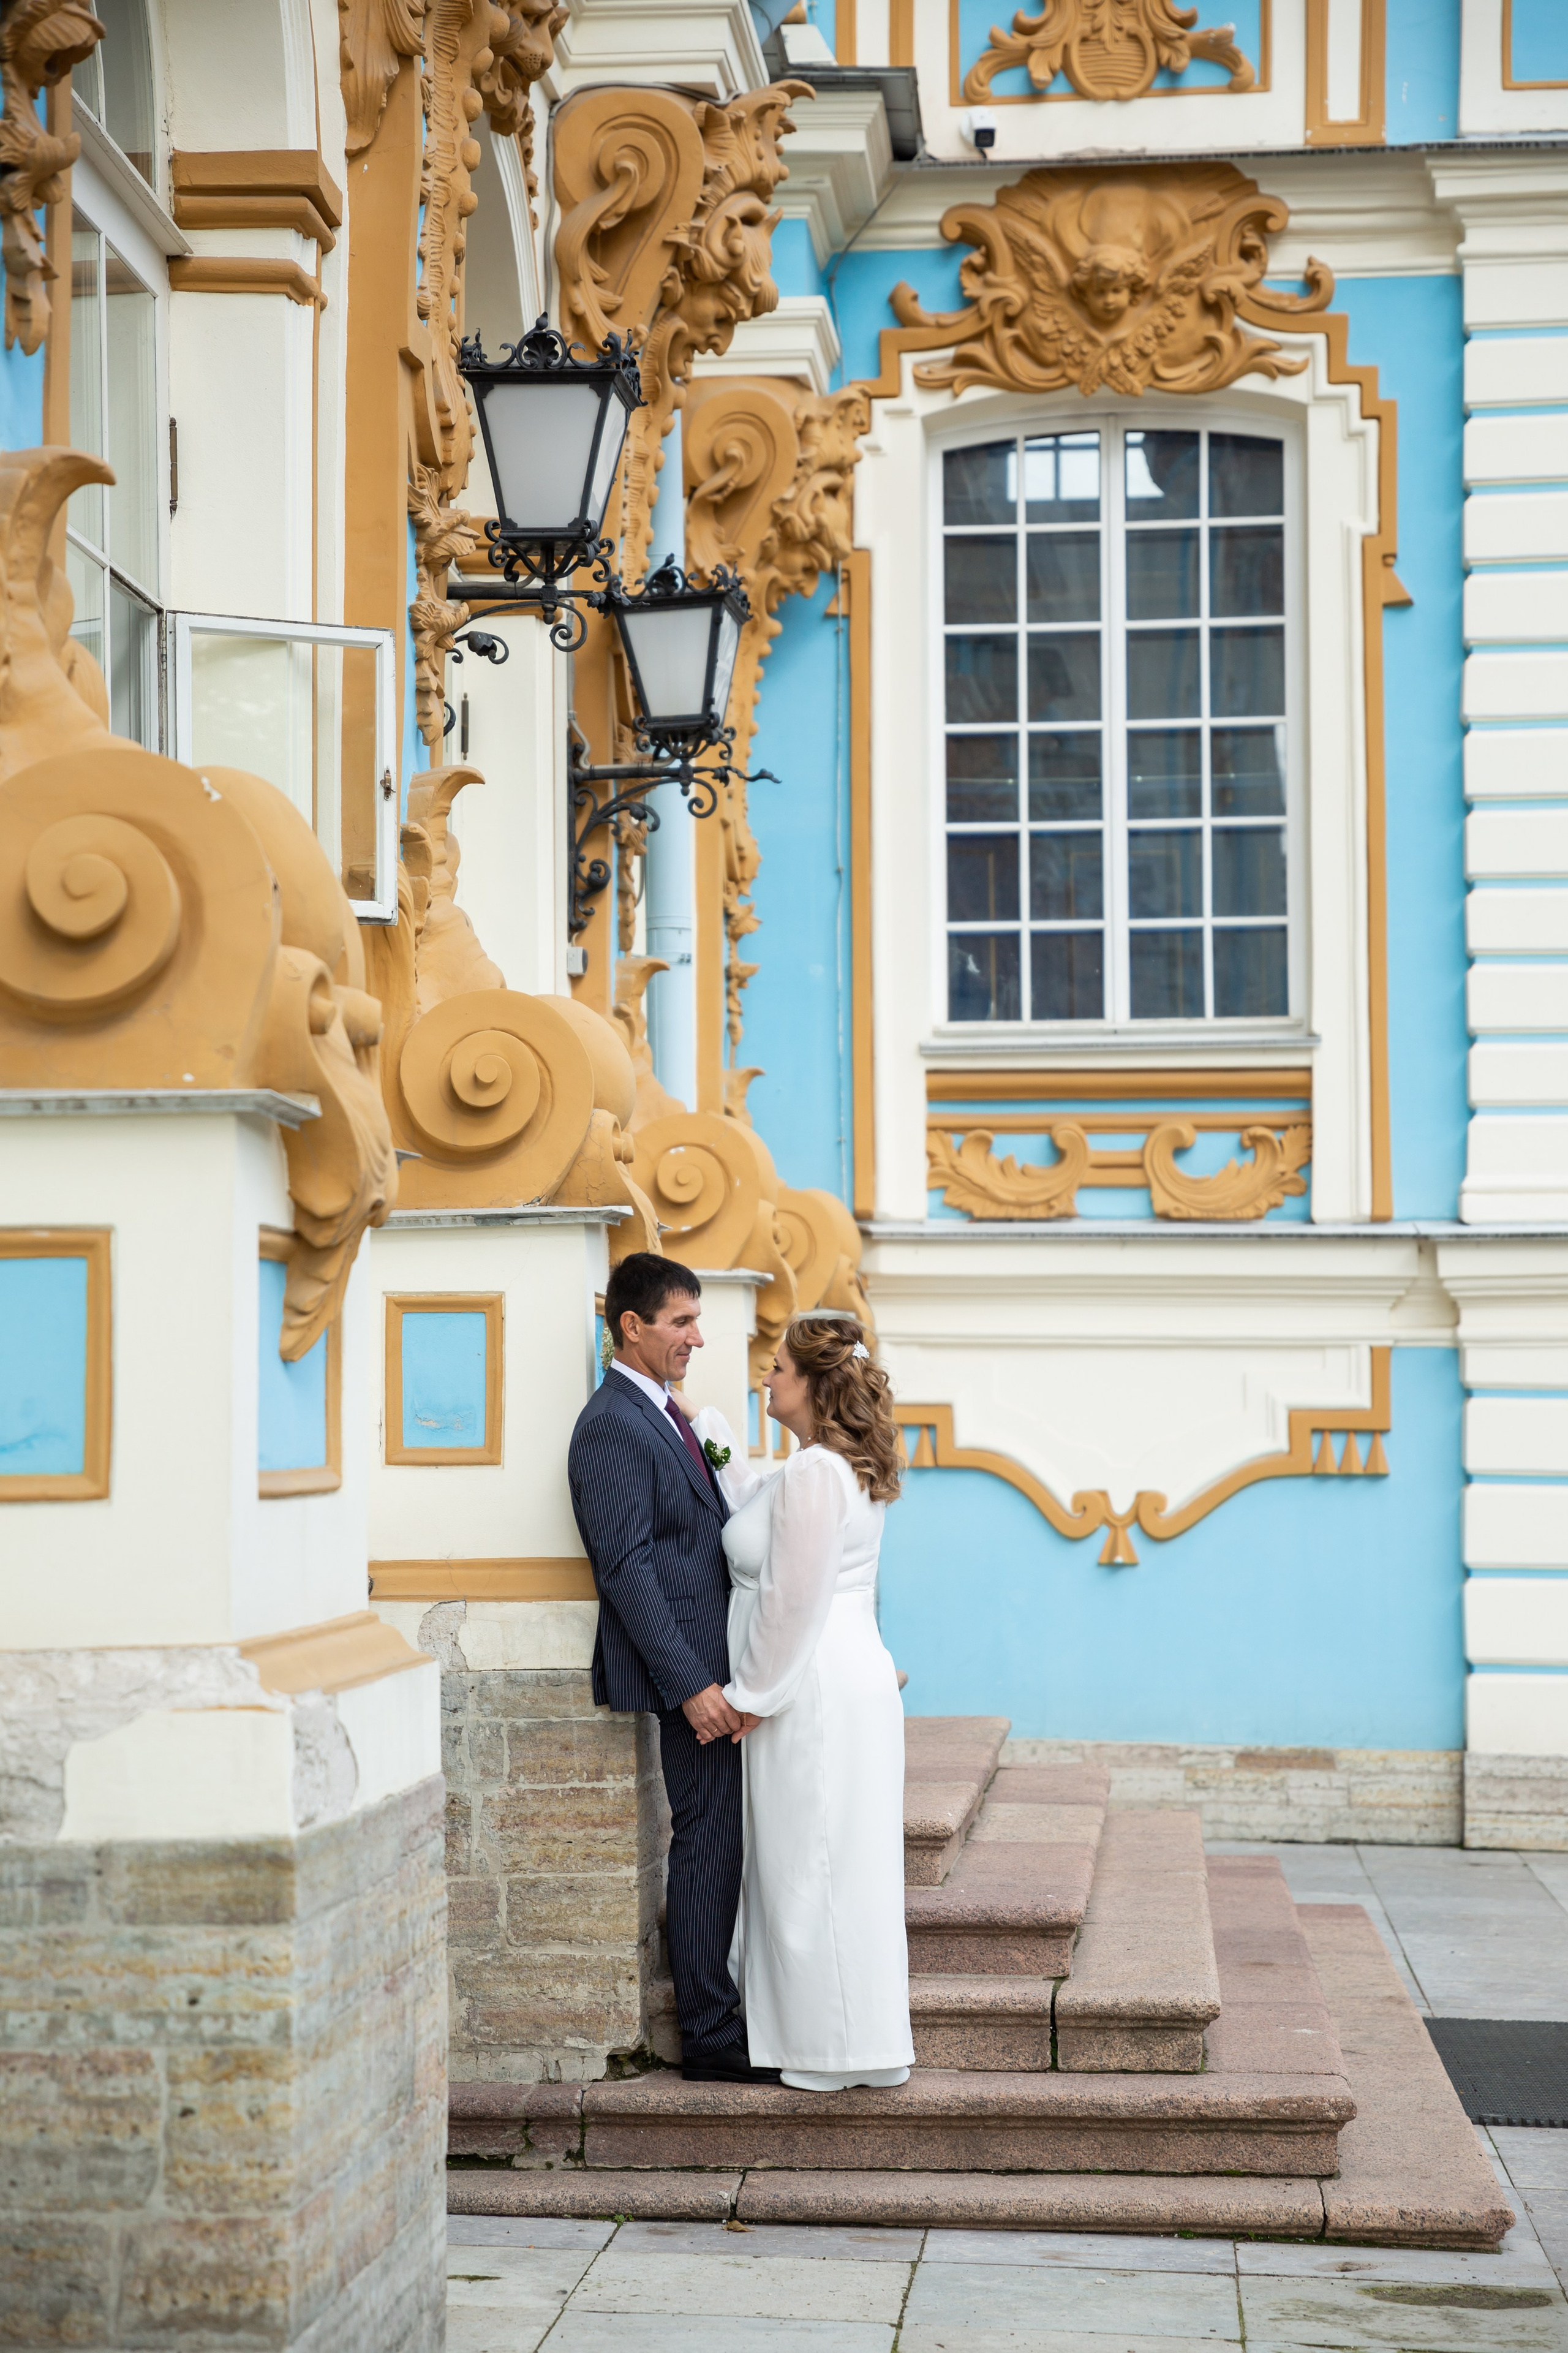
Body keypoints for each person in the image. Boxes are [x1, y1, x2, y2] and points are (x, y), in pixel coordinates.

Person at [671, 1314, 914, 2091]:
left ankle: (825, 2043)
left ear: (811, 1384)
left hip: (806, 1687)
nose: (764, 1378)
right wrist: (711, 1441)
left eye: (776, 1368)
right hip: (842, 1675)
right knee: (837, 1859)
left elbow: (790, 1599)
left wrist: (750, 1696)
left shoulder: (815, 1473)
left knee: (808, 1860)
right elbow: (756, 1500)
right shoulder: (828, 1466)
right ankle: (849, 2036)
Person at [567, 1252, 780, 2085]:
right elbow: (624, 1568)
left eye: (697, 1319)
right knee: (706, 1842)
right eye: (681, 1321)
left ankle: (720, 2014)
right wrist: (690, 1685)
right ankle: (710, 2032)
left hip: (714, 1666)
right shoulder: (613, 1423)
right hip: (689, 1675)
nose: (698, 1335)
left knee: (716, 1839)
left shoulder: (662, 1411)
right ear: (632, 1325)